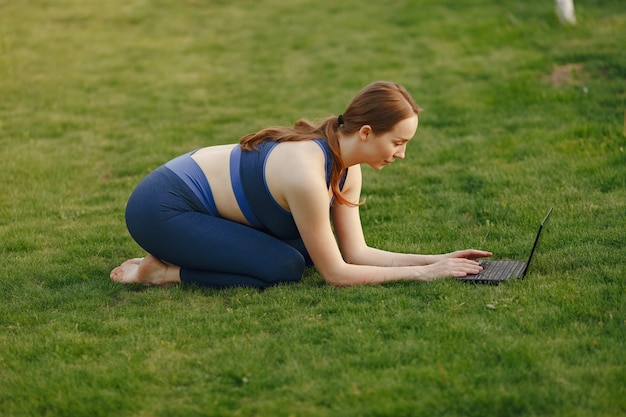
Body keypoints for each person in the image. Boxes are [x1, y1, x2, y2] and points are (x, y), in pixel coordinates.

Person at [110, 81, 491, 288]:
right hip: (163, 207)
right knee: (284, 266)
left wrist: (440, 260)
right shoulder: (308, 173)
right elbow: (338, 274)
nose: (401, 155)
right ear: (366, 132)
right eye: (398, 143)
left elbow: (355, 253)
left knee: (312, 252)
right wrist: (424, 275)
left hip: (196, 205)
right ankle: (161, 272)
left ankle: (180, 259)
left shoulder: (347, 167)